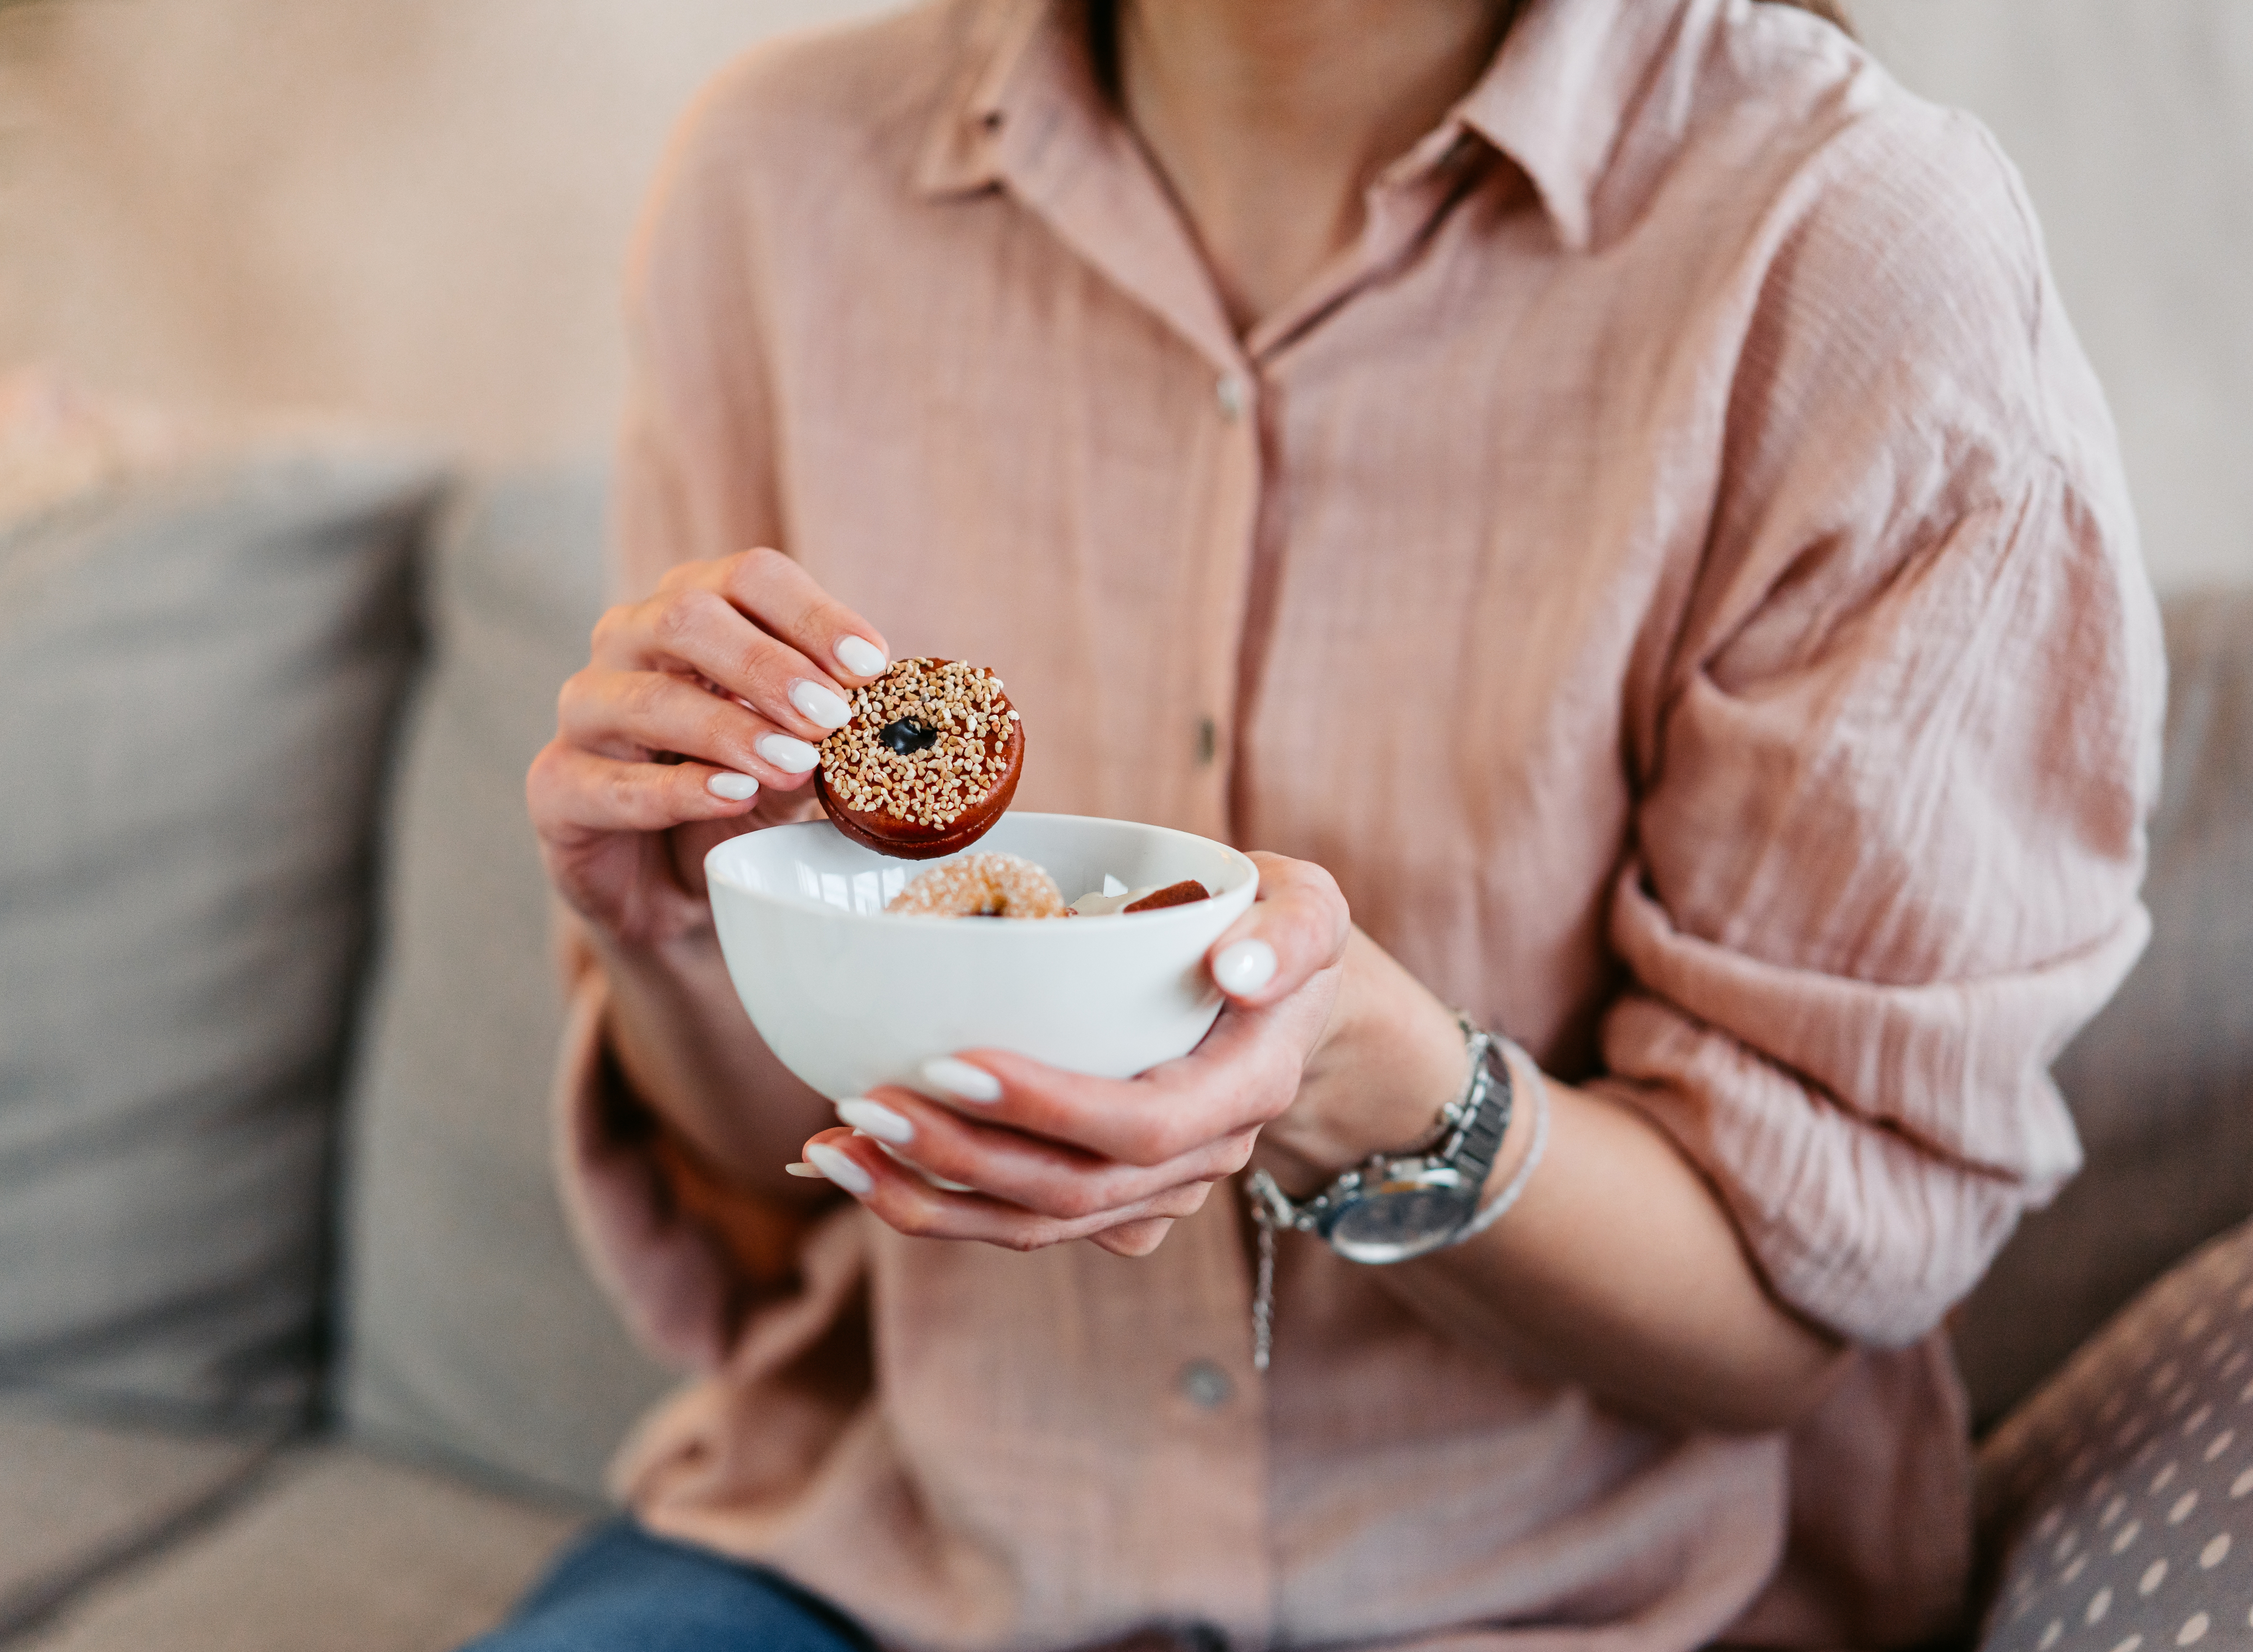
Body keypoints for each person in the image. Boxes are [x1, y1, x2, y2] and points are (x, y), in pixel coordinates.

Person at [505, 0, 2163, 1646]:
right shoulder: (778, 182)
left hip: (1562, 1605)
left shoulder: (1843, 248)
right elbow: (762, 1168)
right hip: (889, 1565)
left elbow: (1786, 1316)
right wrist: (671, 923)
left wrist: (1372, 1083)